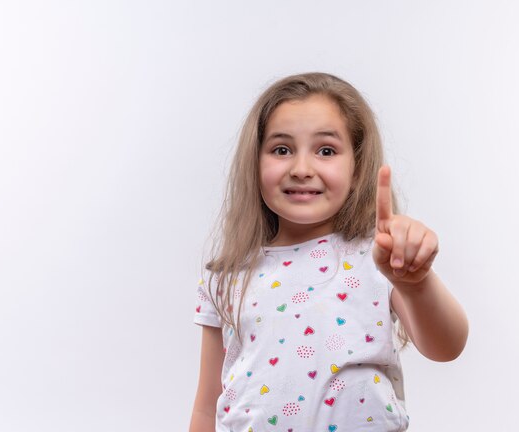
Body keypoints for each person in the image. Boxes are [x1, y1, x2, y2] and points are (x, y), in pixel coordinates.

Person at [189, 72, 468, 432]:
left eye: (326, 151)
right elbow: (207, 403)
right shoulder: (227, 274)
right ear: (255, 162)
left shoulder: (379, 256)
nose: (301, 169)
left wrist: (416, 284)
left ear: (356, 166)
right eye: (281, 149)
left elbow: (447, 347)